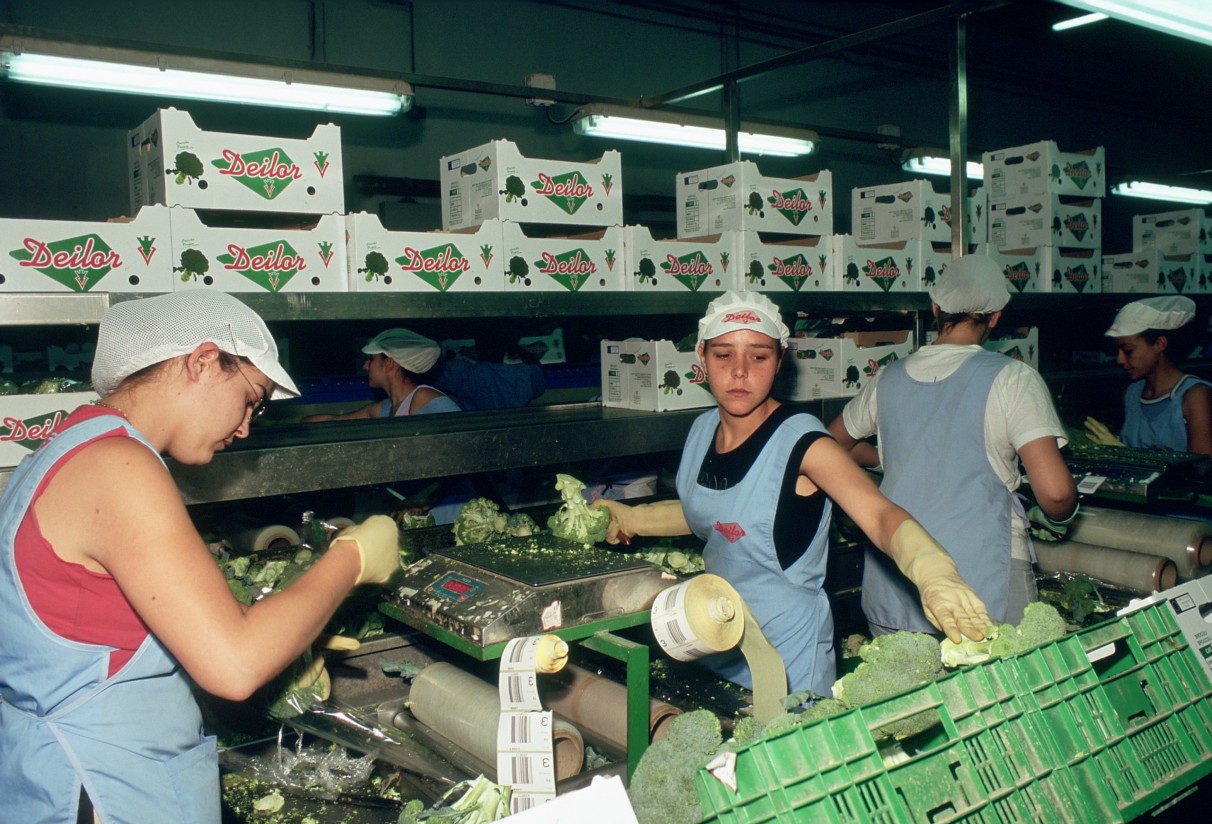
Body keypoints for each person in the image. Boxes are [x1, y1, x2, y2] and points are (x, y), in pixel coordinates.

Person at [0, 291, 401, 823]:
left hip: (68, 771)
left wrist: (289, 634)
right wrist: (350, 557)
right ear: (204, 361)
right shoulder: (117, 466)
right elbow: (234, 666)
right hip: (102, 788)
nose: (244, 427)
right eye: (252, 400)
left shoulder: (71, 446)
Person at [594, 291, 991, 697]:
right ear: (701, 357)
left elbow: (879, 515)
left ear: (780, 360)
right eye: (724, 355)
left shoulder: (805, 444)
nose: (740, 372)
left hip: (786, 661)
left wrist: (931, 570)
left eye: (759, 356)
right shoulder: (701, 431)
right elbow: (719, 515)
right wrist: (634, 519)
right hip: (712, 638)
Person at [827, 255, 1078, 635]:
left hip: (897, 580)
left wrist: (891, 461)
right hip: (979, 580)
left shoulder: (888, 378)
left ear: (935, 308)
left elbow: (829, 447)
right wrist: (1064, 516)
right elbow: (1056, 494)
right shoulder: (1013, 379)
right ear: (995, 317)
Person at [1084, 295, 1212, 458]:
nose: (1120, 359)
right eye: (1118, 351)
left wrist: (1126, 454)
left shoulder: (1195, 396)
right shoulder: (1131, 395)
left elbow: (1203, 471)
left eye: (1128, 351)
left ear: (1160, 344)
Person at [303, 328, 461, 421]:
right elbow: (335, 421)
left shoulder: (424, 397)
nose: (365, 366)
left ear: (389, 364)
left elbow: (465, 440)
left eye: (371, 359)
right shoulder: (387, 408)